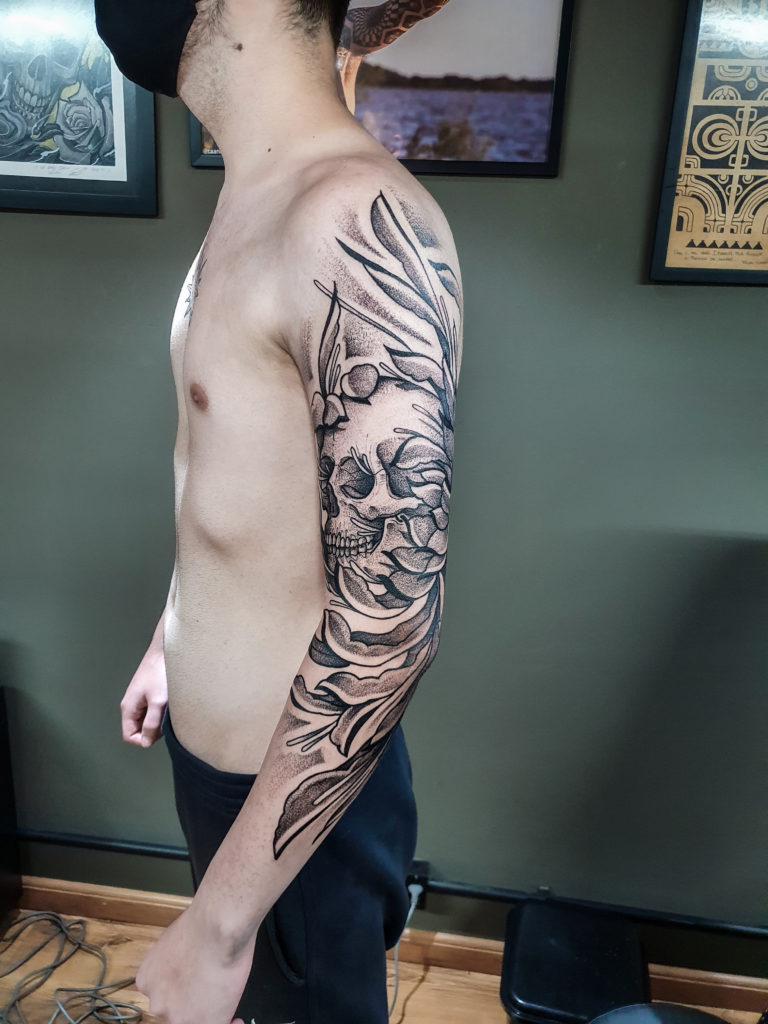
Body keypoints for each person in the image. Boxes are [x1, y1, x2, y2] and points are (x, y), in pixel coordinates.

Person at [95, 0, 463, 1021]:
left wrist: (219, 929)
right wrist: (174, 636)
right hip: (230, 770)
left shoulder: (344, 219)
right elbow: (240, 482)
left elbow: (389, 620)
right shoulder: (261, 190)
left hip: (298, 796)